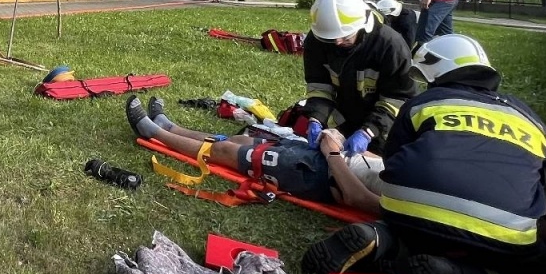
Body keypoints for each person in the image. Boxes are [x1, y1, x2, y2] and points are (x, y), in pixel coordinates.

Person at [302, 34, 546, 274]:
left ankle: (382, 238)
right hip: (503, 230)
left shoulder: (422, 104)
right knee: (539, 268)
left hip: (407, 211)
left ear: (437, 74)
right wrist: (539, 209)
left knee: (416, 227)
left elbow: (395, 162)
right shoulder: (529, 120)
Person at [123, 96, 385, 215]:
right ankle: (171, 127)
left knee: (226, 152)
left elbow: (356, 197)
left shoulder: (405, 205)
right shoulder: (408, 171)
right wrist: (341, 142)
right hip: (323, 156)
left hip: (316, 175)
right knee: (240, 141)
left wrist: (333, 153)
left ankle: (154, 132)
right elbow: (370, 164)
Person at [300, 0, 420, 157]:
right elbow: (319, 87)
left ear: (362, 26)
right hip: (343, 121)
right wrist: (316, 117)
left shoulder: (390, 46)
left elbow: (398, 98)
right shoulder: (318, 40)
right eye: (331, 38)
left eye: (345, 36)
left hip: (384, 128)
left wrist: (368, 131)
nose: (337, 42)